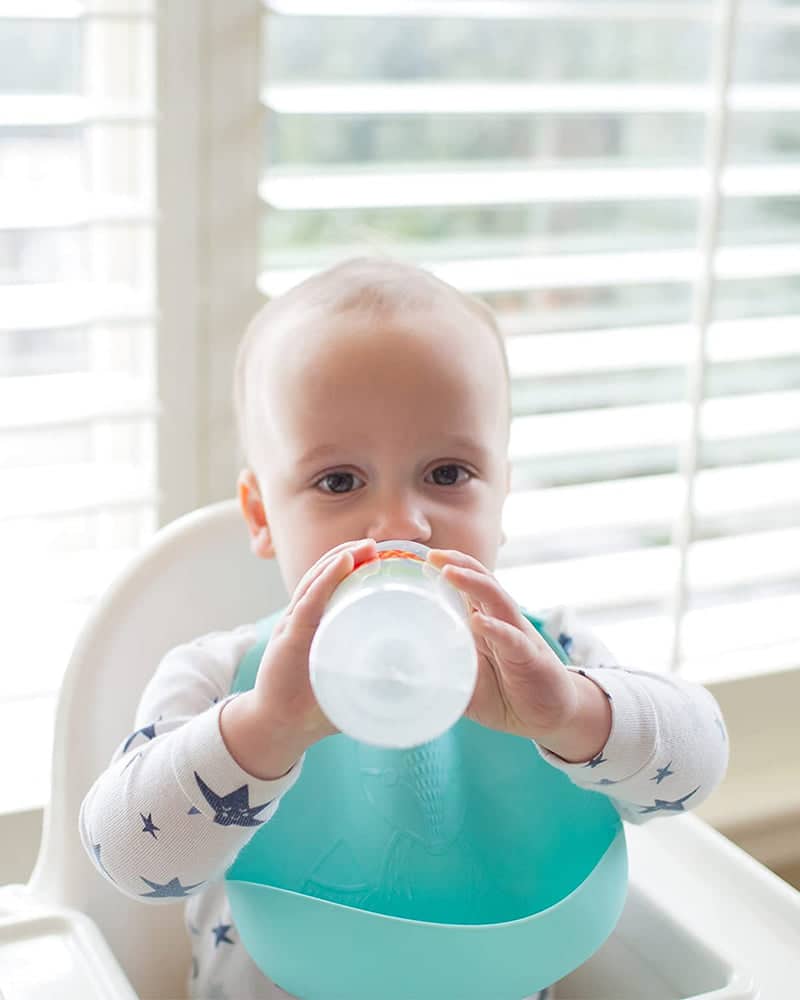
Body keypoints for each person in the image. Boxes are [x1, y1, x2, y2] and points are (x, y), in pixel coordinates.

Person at [80, 257, 729, 1000]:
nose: (400, 525)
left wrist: (571, 714)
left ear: (502, 493)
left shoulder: (553, 662)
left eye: (448, 474)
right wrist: (263, 729)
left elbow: (697, 767)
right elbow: (127, 857)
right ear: (261, 515)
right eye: (338, 481)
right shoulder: (219, 679)